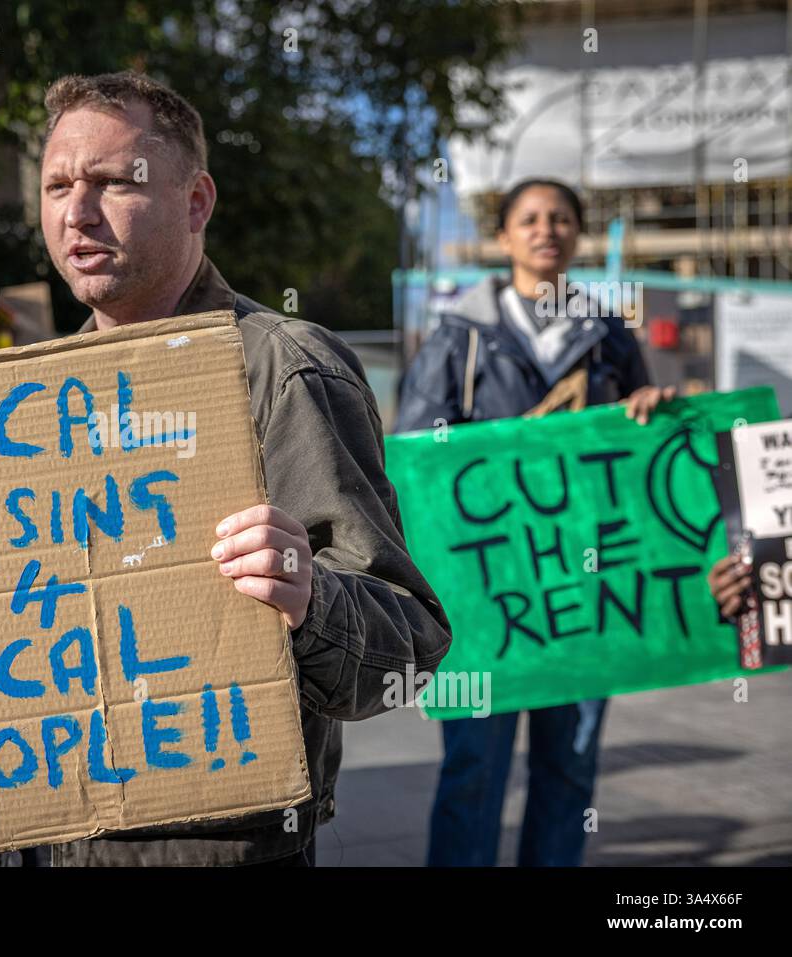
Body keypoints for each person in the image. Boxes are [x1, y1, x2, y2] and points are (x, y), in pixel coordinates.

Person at [37, 71, 452, 866]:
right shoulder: (27, 399)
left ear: (196, 202)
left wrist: (311, 597)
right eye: (57, 185)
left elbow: (407, 645)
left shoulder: (285, 368)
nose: (77, 212)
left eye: (113, 183)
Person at [395, 178, 676, 866]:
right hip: (484, 600)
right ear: (504, 237)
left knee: (571, 769)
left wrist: (652, 412)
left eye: (561, 219)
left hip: (584, 595)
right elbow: (414, 457)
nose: (546, 229)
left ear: (577, 234)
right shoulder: (459, 335)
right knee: (472, 773)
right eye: (529, 218)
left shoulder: (610, 335)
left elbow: (637, 455)